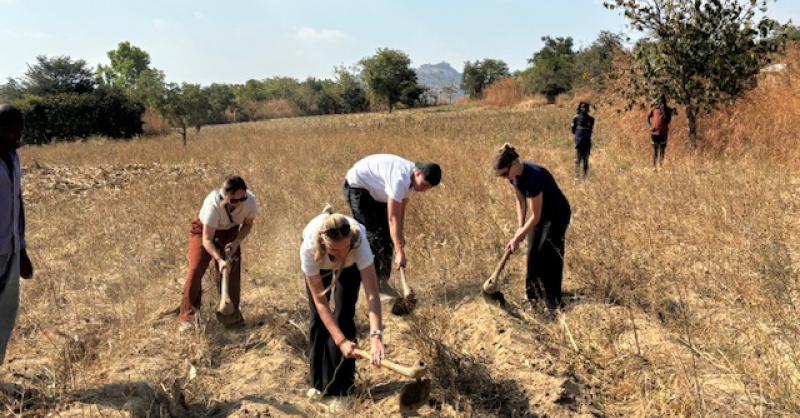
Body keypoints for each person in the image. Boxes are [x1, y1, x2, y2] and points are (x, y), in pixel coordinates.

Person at [301, 205, 384, 411]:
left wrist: (376, 336)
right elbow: (321, 303)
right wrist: (340, 341)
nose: (341, 253)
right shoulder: (310, 249)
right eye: (335, 250)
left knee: (344, 315)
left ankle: (342, 391)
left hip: (350, 268)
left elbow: (373, 294)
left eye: (345, 247)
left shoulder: (359, 242)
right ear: (323, 242)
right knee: (318, 320)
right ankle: (318, 385)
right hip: (320, 267)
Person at [342, 154, 441, 304]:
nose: (424, 190)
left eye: (429, 188)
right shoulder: (400, 179)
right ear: (418, 173)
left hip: (378, 192)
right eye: (424, 185)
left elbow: (401, 208)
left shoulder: (415, 184)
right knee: (373, 236)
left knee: (387, 235)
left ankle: (382, 282)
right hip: (358, 187)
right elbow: (392, 218)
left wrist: (399, 235)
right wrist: (399, 252)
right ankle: (373, 286)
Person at [493, 144, 571, 311]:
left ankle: (553, 302)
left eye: (505, 173)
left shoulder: (534, 176)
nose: (504, 177)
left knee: (548, 254)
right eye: (501, 176)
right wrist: (519, 228)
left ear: (514, 163)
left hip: (556, 215)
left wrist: (517, 238)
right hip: (540, 215)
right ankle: (533, 299)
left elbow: (536, 216)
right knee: (532, 253)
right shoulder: (513, 177)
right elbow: (520, 201)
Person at [179, 175, 257, 332]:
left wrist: (235, 243)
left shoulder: (250, 201)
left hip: (230, 233)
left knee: (232, 271)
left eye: (242, 198)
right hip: (204, 233)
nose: (239, 203)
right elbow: (207, 240)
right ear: (225, 197)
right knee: (196, 268)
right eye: (234, 200)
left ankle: (230, 316)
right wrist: (219, 259)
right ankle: (188, 316)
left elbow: (247, 225)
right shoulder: (212, 206)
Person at [0, 104, 33, 366]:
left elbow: (17, 204)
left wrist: (22, 251)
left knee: (6, 315)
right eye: (13, 132)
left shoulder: (12, 158)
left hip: (10, 250)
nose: (18, 138)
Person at [646, 96, 677, 169]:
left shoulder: (668, 110)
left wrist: (664, 113)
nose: (662, 104)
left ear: (665, 103)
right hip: (654, 133)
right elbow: (647, 118)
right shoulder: (654, 109)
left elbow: (668, 121)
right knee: (655, 150)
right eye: (660, 102)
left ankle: (660, 166)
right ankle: (654, 167)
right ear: (658, 103)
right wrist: (650, 127)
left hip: (663, 133)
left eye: (663, 102)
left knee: (662, 150)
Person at [571, 102, 595, 178]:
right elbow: (573, 130)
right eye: (582, 107)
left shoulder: (591, 119)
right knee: (577, 161)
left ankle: (585, 177)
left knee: (585, 161)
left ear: (588, 109)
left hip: (587, 143)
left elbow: (590, 129)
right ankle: (576, 177)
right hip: (578, 142)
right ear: (579, 108)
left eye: (586, 107)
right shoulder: (576, 118)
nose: (584, 108)